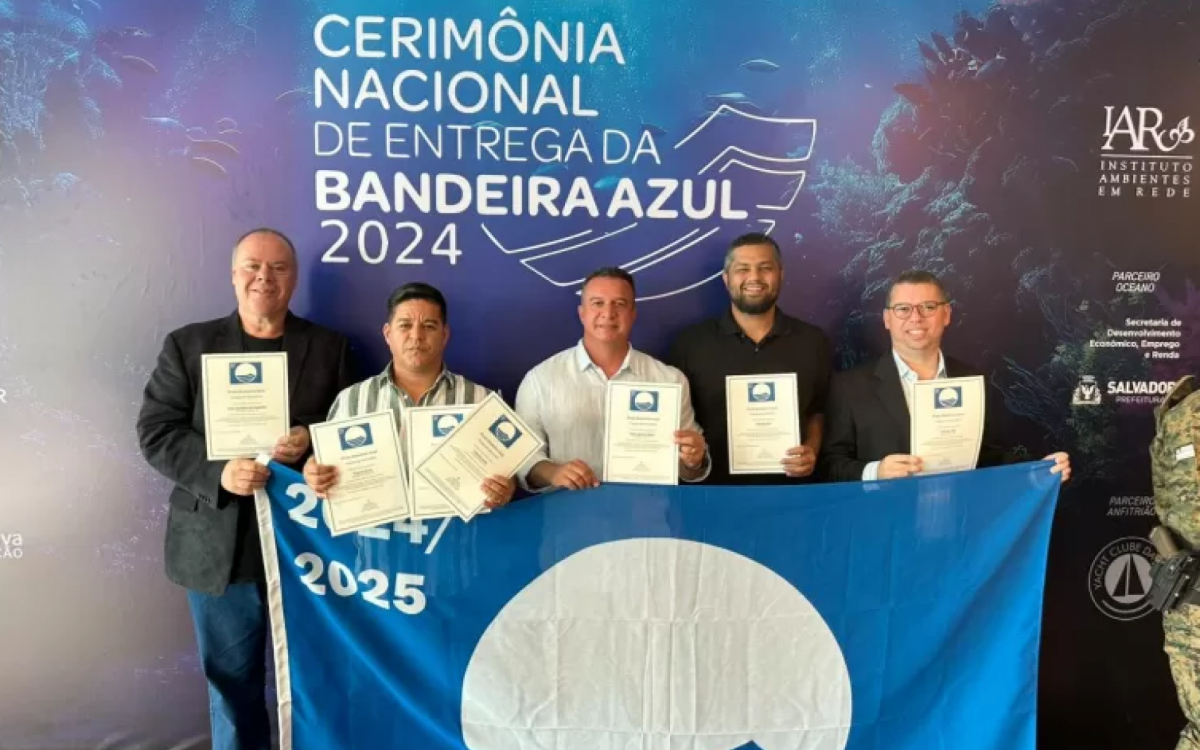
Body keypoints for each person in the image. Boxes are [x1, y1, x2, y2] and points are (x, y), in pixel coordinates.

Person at [136, 228, 354, 750]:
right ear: (234, 275)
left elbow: (349, 428)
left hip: (304, 549)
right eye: (253, 266)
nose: (264, 277)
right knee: (231, 690)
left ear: (294, 279)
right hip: (217, 546)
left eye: (278, 268)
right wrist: (219, 472)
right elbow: (156, 431)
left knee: (311, 686)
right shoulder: (187, 345)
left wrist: (310, 439)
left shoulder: (329, 347)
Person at [819, 269, 1071, 483]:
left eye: (928, 307)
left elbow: (989, 457)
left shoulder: (974, 380)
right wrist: (875, 471)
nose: (915, 318)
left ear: (946, 314)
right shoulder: (849, 387)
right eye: (903, 309)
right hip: (885, 527)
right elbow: (829, 465)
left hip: (960, 524)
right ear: (887, 319)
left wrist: (1037, 471)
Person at [303, 282, 516, 509]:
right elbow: (325, 466)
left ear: (444, 335)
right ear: (388, 334)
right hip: (377, 540)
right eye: (405, 325)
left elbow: (507, 476)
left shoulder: (481, 400)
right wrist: (314, 472)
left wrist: (504, 488)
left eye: (429, 326)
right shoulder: (351, 400)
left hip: (453, 540)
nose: (416, 335)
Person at [515, 267, 710, 491]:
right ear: (582, 312)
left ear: (633, 313)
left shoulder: (670, 380)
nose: (608, 313)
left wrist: (694, 459)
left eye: (620, 303)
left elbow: (688, 468)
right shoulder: (540, 380)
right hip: (568, 519)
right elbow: (524, 460)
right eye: (598, 303)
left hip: (647, 519)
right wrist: (553, 472)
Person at [666, 233, 833, 483]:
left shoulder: (813, 341)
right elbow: (678, 422)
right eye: (742, 269)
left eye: (765, 268)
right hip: (713, 497)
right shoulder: (690, 344)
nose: (754, 277)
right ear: (726, 278)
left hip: (792, 497)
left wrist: (812, 449)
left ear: (781, 274)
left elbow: (818, 410)